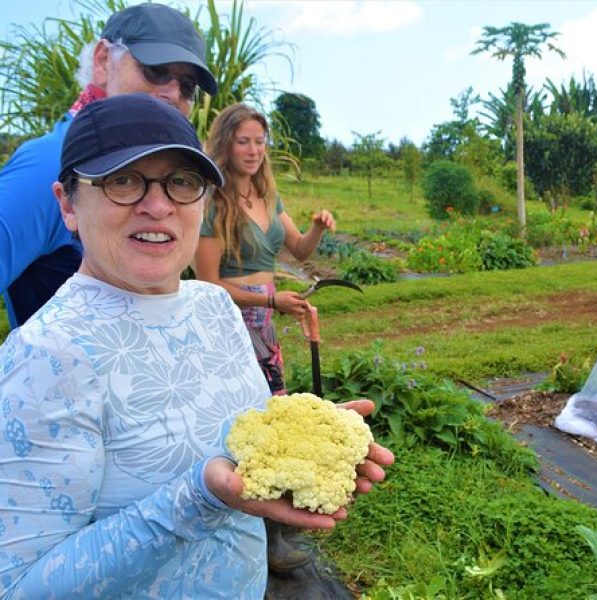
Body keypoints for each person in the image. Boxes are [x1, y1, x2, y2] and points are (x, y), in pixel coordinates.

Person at [0, 93, 393, 598]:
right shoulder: (45, 355)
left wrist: (304, 438)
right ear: (67, 204)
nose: (158, 204)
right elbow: (21, 587)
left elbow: (236, 432)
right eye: (122, 180)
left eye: (182, 182)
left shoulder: (213, 306)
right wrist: (202, 496)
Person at [0, 2, 217, 330]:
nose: (172, 92)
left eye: (187, 86)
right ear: (103, 60)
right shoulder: (49, 164)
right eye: (154, 70)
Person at [195, 103, 336, 395]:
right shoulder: (214, 204)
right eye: (243, 142)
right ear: (226, 145)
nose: (253, 151)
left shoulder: (268, 197)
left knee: (271, 405)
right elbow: (208, 284)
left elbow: (299, 249)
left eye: (259, 142)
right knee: (242, 404)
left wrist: (317, 229)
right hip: (230, 322)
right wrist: (271, 302)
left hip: (265, 322)